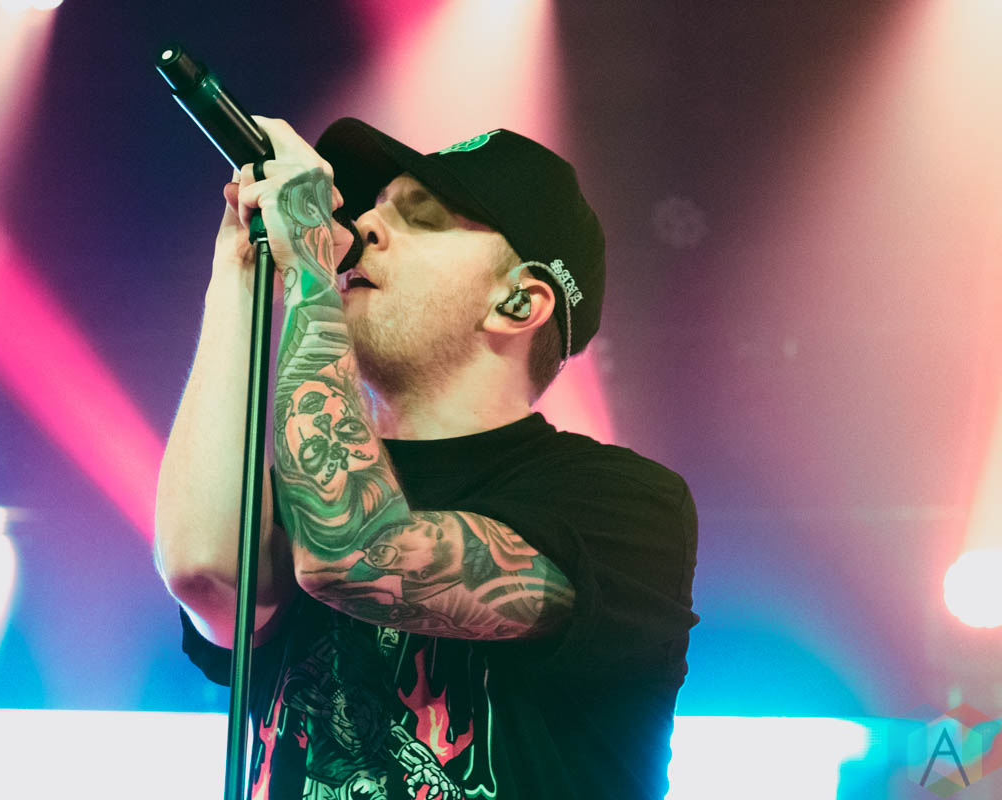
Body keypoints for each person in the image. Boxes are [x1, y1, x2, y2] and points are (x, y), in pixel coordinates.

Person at [154, 115, 700, 800]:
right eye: (374, 209)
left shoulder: (621, 506)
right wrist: (240, 269)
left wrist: (310, 271)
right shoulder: (301, 485)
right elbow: (204, 572)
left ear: (518, 301)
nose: (364, 229)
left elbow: (355, 552)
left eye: (421, 217)